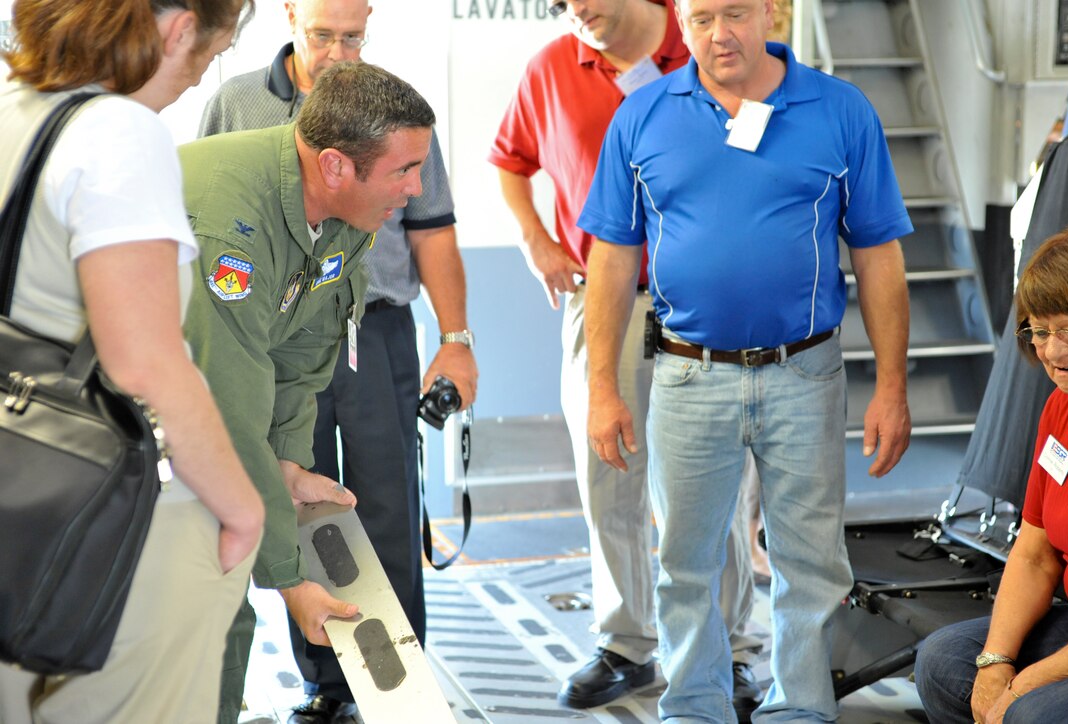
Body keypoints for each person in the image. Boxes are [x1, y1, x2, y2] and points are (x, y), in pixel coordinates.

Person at [579, 0, 914, 719]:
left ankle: (800, 708)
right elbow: (610, 258)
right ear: (681, 21)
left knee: (811, 564)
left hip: (806, 372)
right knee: (684, 562)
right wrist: (601, 387)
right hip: (687, 373)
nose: (719, 34)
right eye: (701, 18)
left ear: (772, 13)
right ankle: (694, 706)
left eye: (735, 13)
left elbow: (879, 255)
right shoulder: (643, 117)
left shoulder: (840, 110)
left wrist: (893, 387)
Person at [199, 2, 477, 721]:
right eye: (324, 35)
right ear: (291, 17)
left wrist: (457, 337)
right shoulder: (235, 132)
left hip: (371, 332)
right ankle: (324, 681)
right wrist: (288, 577)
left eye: (354, 36)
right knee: (278, 510)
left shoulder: (383, 143)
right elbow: (235, 404)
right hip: (239, 352)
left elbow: (429, 232)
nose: (338, 52)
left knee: (377, 503)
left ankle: (394, 683)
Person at [488, 0, 765, 715]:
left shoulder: (710, 45)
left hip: (704, 302)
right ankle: (626, 644)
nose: (573, 10)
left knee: (715, 482)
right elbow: (509, 161)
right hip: (601, 302)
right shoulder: (552, 66)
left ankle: (728, 650)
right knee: (607, 477)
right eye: (558, 3)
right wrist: (533, 241)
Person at [0, 1, 265, 722]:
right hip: (101, 504)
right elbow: (144, 366)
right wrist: (243, 513)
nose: (190, 82)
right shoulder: (118, 132)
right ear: (178, 32)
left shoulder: (14, 107)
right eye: (207, 58)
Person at [916, 227, 1068, 724]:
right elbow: (1034, 555)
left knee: (1030, 713)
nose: (1052, 353)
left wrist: (1029, 682)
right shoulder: (1060, 410)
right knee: (943, 664)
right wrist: (996, 664)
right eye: (1039, 330)